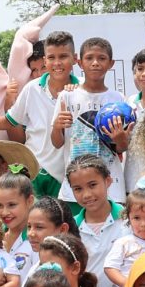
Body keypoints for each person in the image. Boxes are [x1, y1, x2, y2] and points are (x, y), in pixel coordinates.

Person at [0, 31, 80, 196]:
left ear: (74, 58)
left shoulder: (83, 90)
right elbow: (9, 121)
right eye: (51, 58)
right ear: (45, 60)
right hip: (35, 171)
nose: (57, 63)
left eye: (63, 56)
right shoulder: (32, 88)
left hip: (71, 176)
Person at [59, 37, 129, 202]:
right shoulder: (67, 96)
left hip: (111, 187)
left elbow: (122, 147)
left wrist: (120, 139)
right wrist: (56, 127)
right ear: (79, 63)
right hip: (74, 189)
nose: (95, 63)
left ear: (111, 64)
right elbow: (57, 142)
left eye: (101, 58)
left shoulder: (119, 99)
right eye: (89, 58)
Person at [65, 153, 122, 287]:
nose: (87, 195)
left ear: (108, 181)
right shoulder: (69, 229)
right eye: (78, 189)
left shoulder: (129, 220)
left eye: (92, 185)